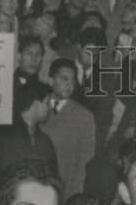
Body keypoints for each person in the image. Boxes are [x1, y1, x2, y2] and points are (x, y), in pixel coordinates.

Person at [0, 83, 57, 188]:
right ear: (35, 103)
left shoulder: (45, 140)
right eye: (47, 102)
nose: (51, 107)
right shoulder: (1, 134)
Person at [40, 58, 95, 196]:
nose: (69, 84)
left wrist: (73, 198)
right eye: (64, 78)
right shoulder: (36, 108)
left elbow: (84, 165)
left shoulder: (84, 116)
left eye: (72, 80)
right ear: (51, 81)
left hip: (65, 194)